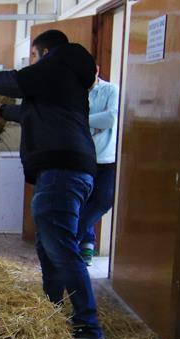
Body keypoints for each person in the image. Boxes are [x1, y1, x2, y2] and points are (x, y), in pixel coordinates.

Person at [0, 29, 108, 339]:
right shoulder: (64, 79)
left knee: (61, 249)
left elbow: (4, 81)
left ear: (41, 52)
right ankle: (51, 319)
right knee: (49, 246)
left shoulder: (55, 66)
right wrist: (2, 112)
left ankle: (89, 331)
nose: (30, 62)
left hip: (61, 170)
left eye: (31, 56)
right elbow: (32, 112)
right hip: (68, 169)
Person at [78, 68, 120, 266]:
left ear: (96, 70)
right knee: (82, 202)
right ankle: (86, 245)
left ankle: (74, 238)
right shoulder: (75, 92)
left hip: (106, 159)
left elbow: (111, 119)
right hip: (82, 157)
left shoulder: (111, 90)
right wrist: (95, 123)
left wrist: (82, 121)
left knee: (103, 200)